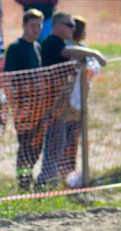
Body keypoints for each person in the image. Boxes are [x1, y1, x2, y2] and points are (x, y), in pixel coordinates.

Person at [37, 11, 107, 188]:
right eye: (69, 25)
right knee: (54, 147)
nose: (73, 29)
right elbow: (68, 51)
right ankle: (46, 182)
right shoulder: (53, 42)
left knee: (60, 145)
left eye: (74, 26)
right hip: (52, 105)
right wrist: (94, 53)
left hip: (60, 106)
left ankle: (58, 180)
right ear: (57, 25)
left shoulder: (59, 43)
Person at [4, 10, 46, 190]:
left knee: (37, 145)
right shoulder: (15, 47)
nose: (36, 29)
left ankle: (28, 175)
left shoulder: (37, 46)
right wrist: (15, 104)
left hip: (39, 105)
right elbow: (8, 77)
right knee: (25, 144)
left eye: (39, 25)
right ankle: (23, 183)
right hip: (24, 105)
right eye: (32, 25)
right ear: (24, 26)